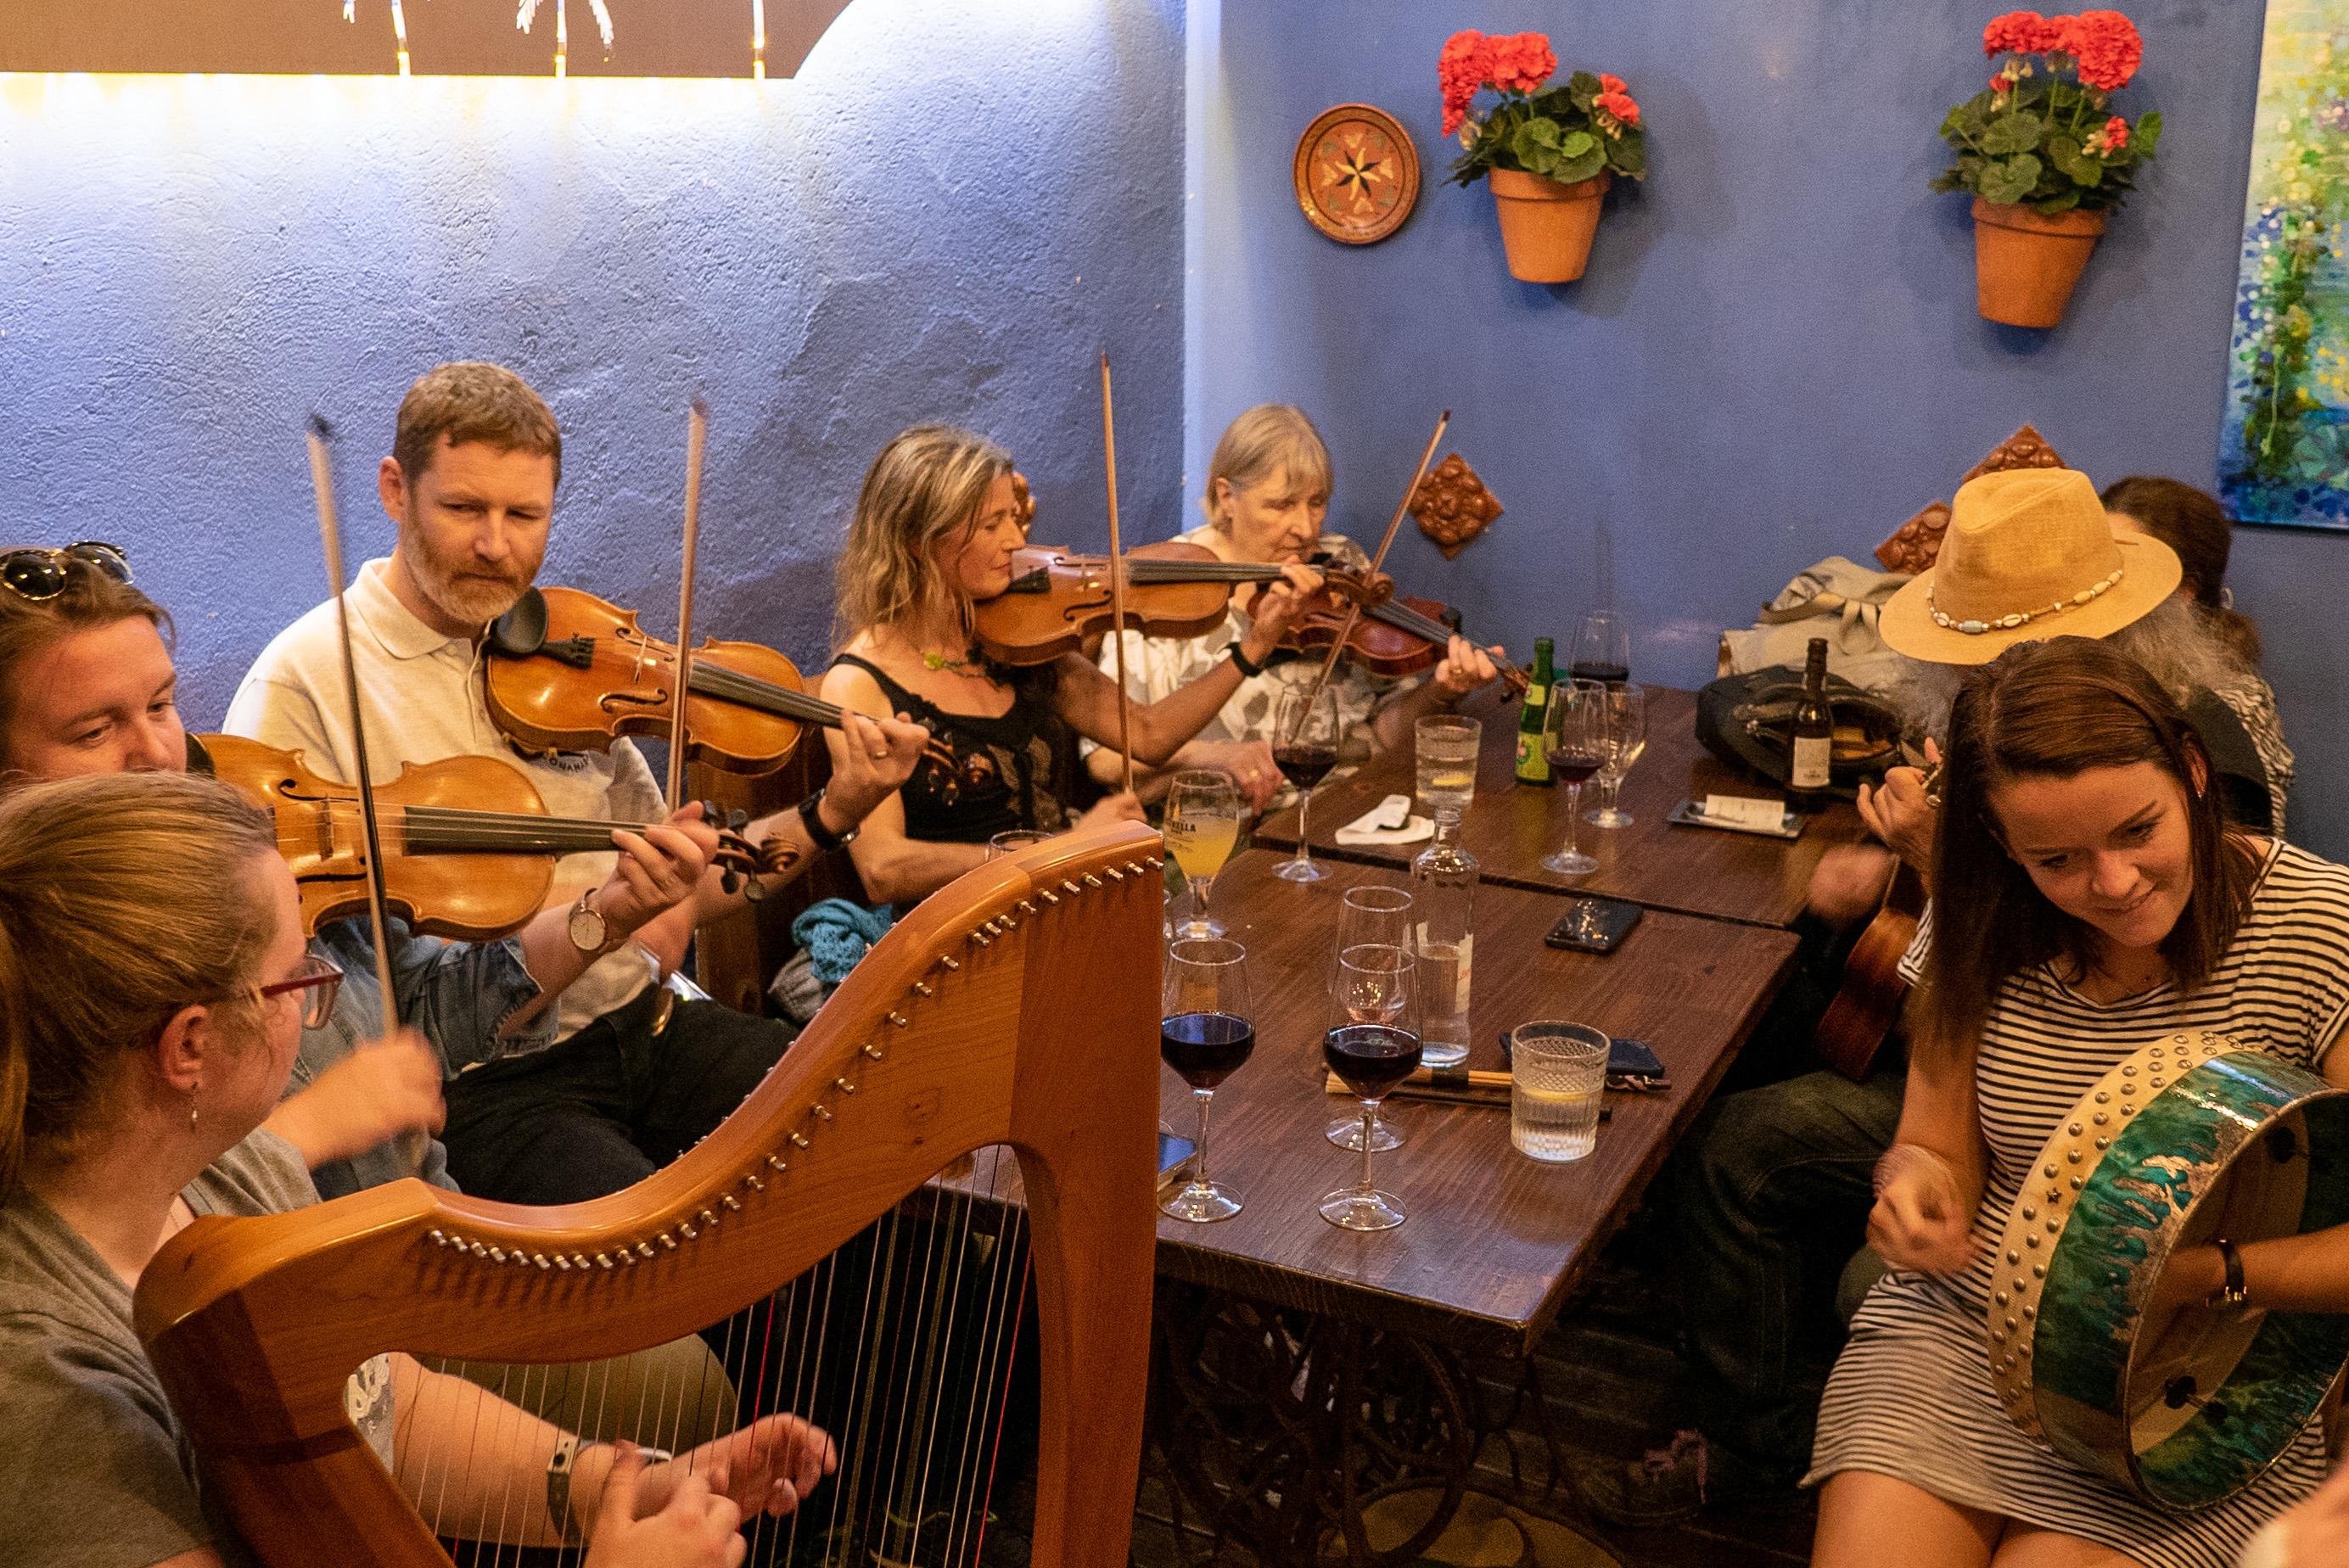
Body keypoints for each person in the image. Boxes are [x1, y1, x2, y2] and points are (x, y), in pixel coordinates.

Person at [1585, 468, 2258, 1524]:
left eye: (2012, 649)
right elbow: (1955, 1036)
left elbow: (2159, 977)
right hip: (1983, 1090)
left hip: (2138, 1141)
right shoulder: (1997, 760)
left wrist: (1933, 868)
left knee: (1741, 1145)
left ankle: (1758, 1446)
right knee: (1745, 1050)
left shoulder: (2203, 765)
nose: (1993, 678)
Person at [0, 770, 835, 1568]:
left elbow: (385, 1407)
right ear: (189, 1045)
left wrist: (627, 1489)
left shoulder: (231, 1174)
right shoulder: (46, 1392)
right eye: (297, 978)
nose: (316, 1000)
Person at [224, 362, 932, 1207]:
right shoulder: (305, 682)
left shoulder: (569, 658)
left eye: (524, 516)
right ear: (394, 490)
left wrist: (834, 810)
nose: (496, 545)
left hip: (644, 1024)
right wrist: (602, 913)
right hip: (486, 1081)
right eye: (464, 509)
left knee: (883, 1129)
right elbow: (292, 955)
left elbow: (674, 889)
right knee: (658, 1247)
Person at [1813, 635, 2349, 1568]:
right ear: (1999, 844)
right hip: (1969, 1339)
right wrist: (1912, 1188)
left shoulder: (2319, 923)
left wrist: (2194, 1276)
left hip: (2199, 1382)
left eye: (2138, 831)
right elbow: (1931, 1143)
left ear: (2191, 772)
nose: (2112, 884)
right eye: (2055, 858)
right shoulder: (1978, 915)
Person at [0, 540, 714, 1200]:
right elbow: (79, 1237)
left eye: (161, 705)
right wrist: (309, 1128)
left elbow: (425, 1006)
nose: (159, 755)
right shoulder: (31, 974)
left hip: (425, 1228)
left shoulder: (253, 851)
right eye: (95, 731)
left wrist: (608, 913)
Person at [816, 422, 1327, 905]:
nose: (1016, 541)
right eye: (992, 524)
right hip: (957, 932)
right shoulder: (858, 683)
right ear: (920, 541)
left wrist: (1255, 646)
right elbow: (884, 869)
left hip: (1062, 900)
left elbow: (1149, 735)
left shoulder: (1017, 640)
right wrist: (1064, 846)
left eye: (1012, 518)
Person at [1086, 404, 1501, 809]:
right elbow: (1104, 761)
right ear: (1227, 497)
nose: (1305, 529)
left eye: (1316, 502)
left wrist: (1441, 692)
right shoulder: (1168, 585)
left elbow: (1384, 734)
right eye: (1281, 505)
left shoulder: (1342, 565)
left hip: (1350, 807)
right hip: (1226, 820)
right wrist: (1215, 756)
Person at [2100, 474, 2295, 833]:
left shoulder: (2233, 701)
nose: (2098, 581)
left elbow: (2250, 846)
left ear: (2184, 591)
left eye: (2121, 567)